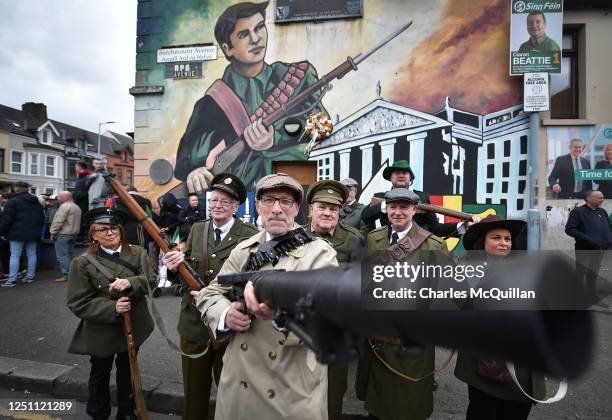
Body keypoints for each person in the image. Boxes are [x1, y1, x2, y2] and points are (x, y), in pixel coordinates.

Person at [165, 173, 338, 419]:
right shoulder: (244, 249)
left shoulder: (320, 254)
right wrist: (226, 314)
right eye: (268, 200)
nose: (277, 209)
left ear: (297, 208)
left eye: (285, 201)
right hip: (240, 382)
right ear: (257, 206)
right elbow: (211, 292)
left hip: (291, 385)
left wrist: (281, 315)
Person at [174, 1, 327, 192]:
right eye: (243, 34)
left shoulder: (298, 77)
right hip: (237, 197)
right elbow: (184, 161)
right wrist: (193, 171)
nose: (256, 39)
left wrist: (275, 139)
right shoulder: (211, 103)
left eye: (260, 27)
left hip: (291, 190)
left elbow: (323, 127)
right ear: (227, 48)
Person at [164, 173, 257, 420]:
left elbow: (253, 281)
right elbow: (182, 277)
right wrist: (173, 269)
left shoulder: (249, 234)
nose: (217, 206)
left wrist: (218, 300)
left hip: (230, 329)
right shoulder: (196, 229)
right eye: (214, 200)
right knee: (193, 395)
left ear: (236, 206)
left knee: (234, 395)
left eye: (225, 202)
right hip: (194, 325)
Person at [358, 188, 449, 420]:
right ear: (386, 209)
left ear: (415, 210)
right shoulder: (374, 238)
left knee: (408, 403)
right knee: (378, 401)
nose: (398, 212)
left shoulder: (434, 245)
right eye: (393, 207)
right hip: (377, 336)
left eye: (404, 207)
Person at [66, 206, 155, 420]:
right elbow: (77, 302)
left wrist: (132, 282)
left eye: (114, 228)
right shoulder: (82, 263)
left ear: (121, 230)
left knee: (128, 373)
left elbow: (151, 281)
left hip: (134, 325)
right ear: (93, 234)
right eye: (103, 229)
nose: (109, 233)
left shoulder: (138, 253)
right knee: (99, 373)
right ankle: (98, 412)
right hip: (101, 329)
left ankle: (126, 412)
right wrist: (112, 308)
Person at [455, 215, 545, 420]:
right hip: (485, 365)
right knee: (483, 411)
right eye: (496, 238)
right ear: (482, 242)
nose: (504, 243)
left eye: (508, 239)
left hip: (523, 366)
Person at [304, 179, 362, 420]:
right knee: (301, 389)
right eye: (322, 207)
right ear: (310, 210)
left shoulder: (353, 238)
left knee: (334, 391)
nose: (328, 213)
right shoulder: (295, 237)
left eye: (334, 208)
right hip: (303, 329)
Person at [361, 160, 479, 236]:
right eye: (397, 172)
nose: (401, 175)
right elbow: (366, 217)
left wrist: (463, 225)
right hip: (387, 249)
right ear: (390, 178)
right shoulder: (380, 197)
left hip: (416, 249)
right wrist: (386, 204)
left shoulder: (422, 197)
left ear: (410, 178)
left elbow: (436, 229)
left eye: (405, 173)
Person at [565, 190, 612, 306]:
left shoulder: (602, 211)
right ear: (589, 198)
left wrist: (608, 240)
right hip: (584, 248)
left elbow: (608, 227)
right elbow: (570, 229)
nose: (602, 200)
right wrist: (588, 239)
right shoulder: (578, 212)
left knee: (593, 272)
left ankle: (592, 296)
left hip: (600, 248)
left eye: (602, 197)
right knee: (581, 271)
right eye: (599, 198)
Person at [0, 182, 45, 287]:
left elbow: (7, 219)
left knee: (15, 255)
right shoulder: (36, 202)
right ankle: (30, 277)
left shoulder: (12, 201)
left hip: (16, 233)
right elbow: (41, 218)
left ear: (17, 189)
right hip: (33, 233)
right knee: (31, 254)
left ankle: (12, 280)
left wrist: (2, 232)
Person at [49, 191, 81, 283]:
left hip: (63, 234)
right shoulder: (76, 207)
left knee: (63, 256)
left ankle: (66, 275)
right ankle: (73, 274)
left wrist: (53, 232)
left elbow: (58, 221)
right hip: (73, 234)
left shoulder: (64, 206)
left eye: (59, 197)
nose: (58, 198)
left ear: (65, 197)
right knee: (70, 254)